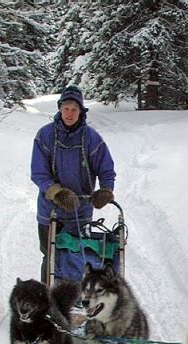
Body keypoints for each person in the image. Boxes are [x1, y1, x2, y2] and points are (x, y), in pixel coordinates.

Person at [31, 85, 116, 284]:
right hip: (50, 211)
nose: (69, 113)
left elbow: (106, 169)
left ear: (81, 111)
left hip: (80, 210)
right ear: (60, 109)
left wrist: (105, 190)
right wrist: (57, 193)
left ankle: (77, 298)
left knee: (78, 254)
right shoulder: (45, 135)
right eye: (66, 108)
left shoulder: (92, 138)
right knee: (50, 255)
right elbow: (39, 173)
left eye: (74, 109)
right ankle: (50, 298)